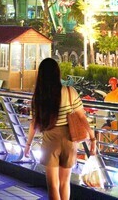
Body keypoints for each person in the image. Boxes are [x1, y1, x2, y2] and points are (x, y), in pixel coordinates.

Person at [22, 57, 95, 200]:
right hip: (69, 139)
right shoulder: (69, 91)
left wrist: (28, 144)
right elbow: (82, 117)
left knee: (53, 185)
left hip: (50, 139)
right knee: (64, 182)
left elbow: (34, 123)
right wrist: (92, 138)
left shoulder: (39, 97)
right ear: (57, 73)